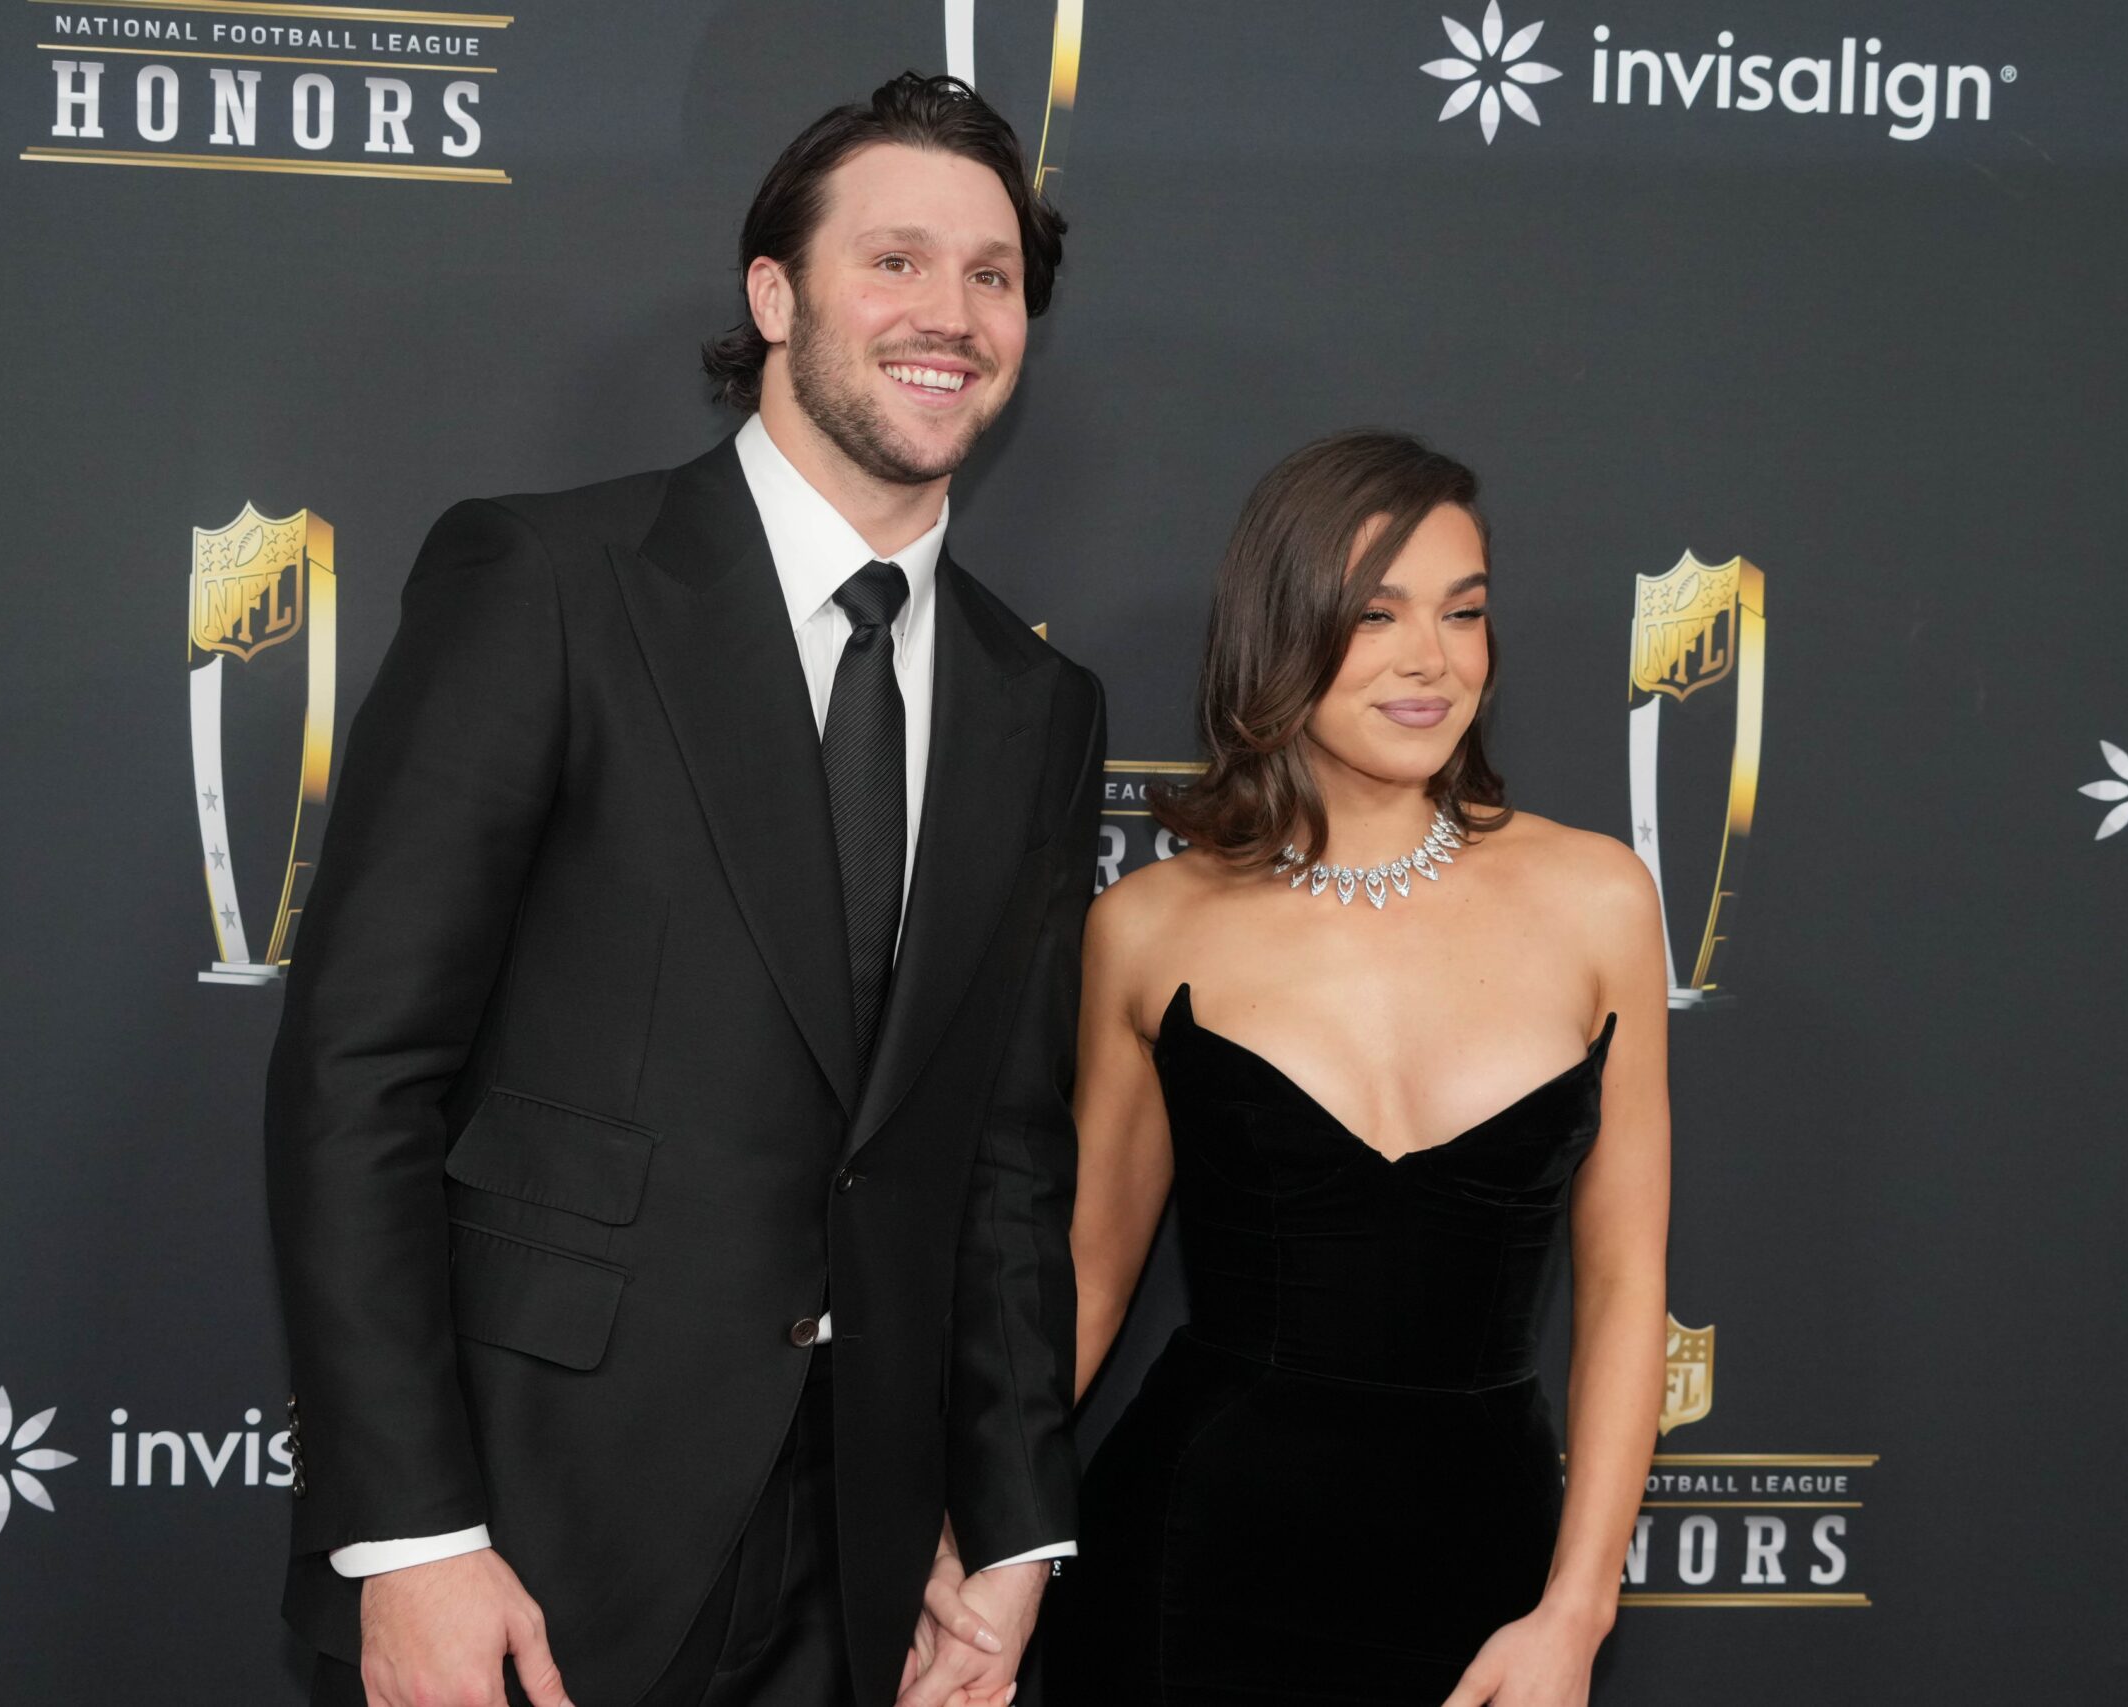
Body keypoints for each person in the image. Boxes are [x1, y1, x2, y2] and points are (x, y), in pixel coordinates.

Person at [264, 73, 1102, 1707]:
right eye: (897, 261)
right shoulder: (550, 586)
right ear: (774, 294)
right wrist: (411, 1538)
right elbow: (360, 1073)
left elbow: (1004, 1157)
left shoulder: (1033, 701)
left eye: (993, 275)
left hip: (862, 1573)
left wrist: (1011, 1527)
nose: (951, 313)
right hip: (532, 1541)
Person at [1045, 431, 1668, 1705]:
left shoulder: (1599, 896)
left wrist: (1575, 1612)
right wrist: (966, 1537)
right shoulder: (1151, 925)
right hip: (1188, 1563)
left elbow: (1624, 1284)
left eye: (1463, 612)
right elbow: (1085, 1282)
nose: (1431, 660)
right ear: (1281, 634)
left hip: (1487, 1571)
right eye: (1375, 615)